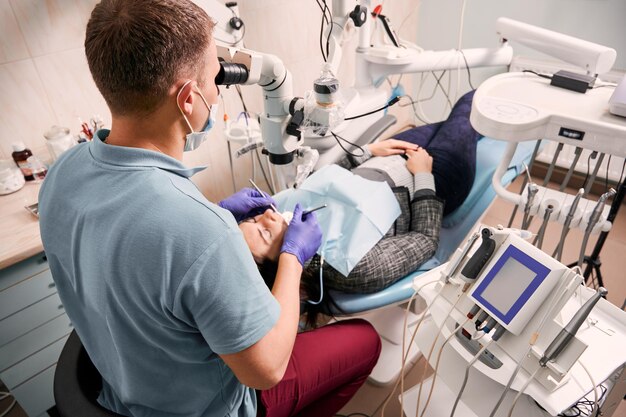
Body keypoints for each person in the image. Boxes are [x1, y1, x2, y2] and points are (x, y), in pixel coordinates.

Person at [38, 1, 381, 416]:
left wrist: (215, 215)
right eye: (213, 79)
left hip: (121, 389)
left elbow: (133, 246)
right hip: (208, 407)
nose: (217, 91)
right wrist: (292, 257)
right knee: (365, 341)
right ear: (187, 98)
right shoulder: (200, 231)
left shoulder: (63, 172)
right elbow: (266, 369)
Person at [238, 90, 479, 325]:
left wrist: (369, 151)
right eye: (265, 232)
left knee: (456, 121)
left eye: (253, 220)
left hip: (385, 156)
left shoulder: (292, 214)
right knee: (471, 103)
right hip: (435, 175)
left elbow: (330, 186)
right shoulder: (351, 265)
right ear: (283, 269)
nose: (268, 214)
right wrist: (424, 174)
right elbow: (425, 239)